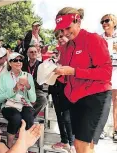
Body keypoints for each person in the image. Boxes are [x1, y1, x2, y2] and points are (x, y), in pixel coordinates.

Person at [54, 7, 112, 153]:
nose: (65, 33)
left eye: (67, 28)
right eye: (61, 30)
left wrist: (73, 71)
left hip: (95, 96)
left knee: (82, 145)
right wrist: (54, 74)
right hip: (75, 98)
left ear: (77, 21)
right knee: (81, 145)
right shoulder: (65, 47)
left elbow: (105, 73)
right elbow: (65, 77)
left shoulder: (93, 39)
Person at [0, 52, 36, 148]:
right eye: (15, 60)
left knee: (29, 117)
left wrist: (28, 86)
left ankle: (24, 145)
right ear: (10, 63)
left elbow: (33, 99)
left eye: (20, 60)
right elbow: (0, 98)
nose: (19, 62)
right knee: (16, 117)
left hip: (24, 104)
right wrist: (14, 89)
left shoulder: (28, 76)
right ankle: (9, 145)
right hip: (9, 105)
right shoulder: (4, 76)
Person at [48, 31, 75, 153]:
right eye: (58, 37)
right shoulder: (58, 51)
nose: (60, 39)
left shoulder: (73, 50)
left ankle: (72, 143)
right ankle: (64, 141)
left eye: (62, 36)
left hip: (68, 87)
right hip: (56, 87)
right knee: (59, 115)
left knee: (67, 117)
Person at [100, 14, 117, 142]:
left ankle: (116, 131)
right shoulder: (100, 38)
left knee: (116, 102)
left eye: (107, 21)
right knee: (102, 101)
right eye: (102, 22)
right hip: (104, 72)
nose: (104, 23)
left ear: (114, 22)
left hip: (116, 71)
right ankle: (100, 130)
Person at [22, 46, 47, 117]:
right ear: (27, 54)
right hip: (24, 88)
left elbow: (43, 79)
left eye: (35, 52)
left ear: (38, 53)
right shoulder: (23, 64)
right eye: (31, 52)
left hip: (36, 89)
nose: (33, 53)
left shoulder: (41, 65)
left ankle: (30, 116)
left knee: (43, 100)